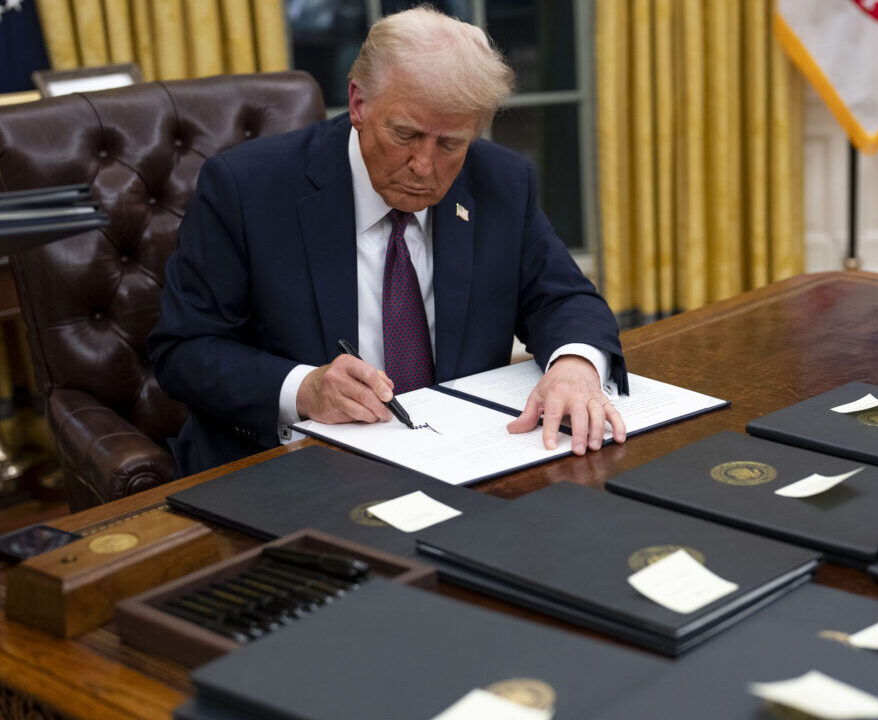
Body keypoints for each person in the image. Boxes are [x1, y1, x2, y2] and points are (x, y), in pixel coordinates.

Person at [148, 6, 627, 477]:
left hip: (462, 464)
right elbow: (185, 349)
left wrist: (574, 366)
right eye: (406, 134)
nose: (424, 165)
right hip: (288, 469)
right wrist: (303, 389)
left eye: (450, 144)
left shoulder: (501, 183)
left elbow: (564, 297)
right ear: (358, 104)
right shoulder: (246, 188)